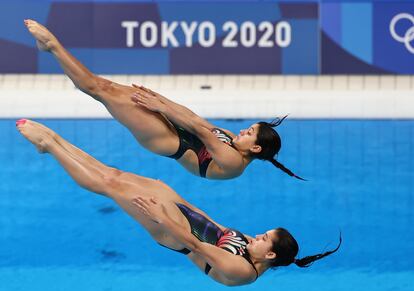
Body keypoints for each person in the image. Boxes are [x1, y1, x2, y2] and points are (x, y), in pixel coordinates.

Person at [16, 119, 339, 286]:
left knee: (109, 185)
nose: (257, 236)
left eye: (263, 239)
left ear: (269, 255)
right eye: (263, 233)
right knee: (112, 175)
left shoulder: (242, 271)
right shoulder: (250, 249)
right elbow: (212, 225)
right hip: (180, 213)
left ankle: (51, 146)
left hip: (171, 231)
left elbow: (195, 245)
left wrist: (161, 215)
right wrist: (175, 197)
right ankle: (56, 142)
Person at [24, 19, 304, 180]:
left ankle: (51, 46)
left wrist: (161, 108)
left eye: (250, 133)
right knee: (105, 86)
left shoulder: (233, 163)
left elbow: (199, 130)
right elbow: (196, 119)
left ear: (255, 148)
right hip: (175, 125)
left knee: (99, 90)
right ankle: (50, 48)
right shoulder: (231, 139)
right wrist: (161, 100)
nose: (244, 130)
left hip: (168, 140)